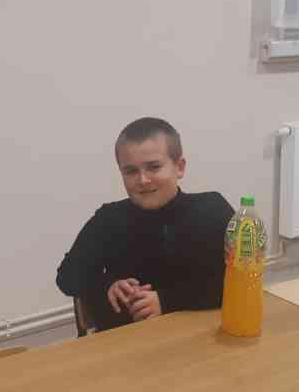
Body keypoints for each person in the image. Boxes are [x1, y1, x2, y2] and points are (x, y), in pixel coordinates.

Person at [56, 117, 234, 331]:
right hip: (126, 341)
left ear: (179, 167)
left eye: (154, 167)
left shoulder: (213, 209)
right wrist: (107, 285)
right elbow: (66, 277)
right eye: (131, 171)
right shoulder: (108, 219)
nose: (143, 180)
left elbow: (238, 282)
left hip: (200, 336)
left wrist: (166, 301)